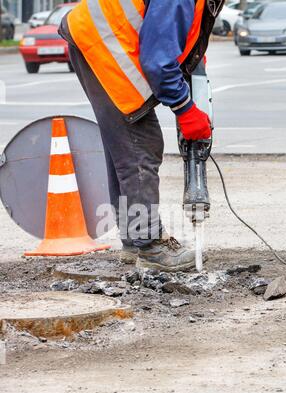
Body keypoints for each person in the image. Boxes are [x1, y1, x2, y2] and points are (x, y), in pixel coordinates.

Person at [59, 0, 224, 272]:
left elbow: (171, 33)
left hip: (94, 38)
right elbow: (157, 61)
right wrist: (184, 109)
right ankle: (150, 246)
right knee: (139, 146)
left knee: (124, 145)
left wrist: (192, 55)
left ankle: (134, 241)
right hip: (105, 46)